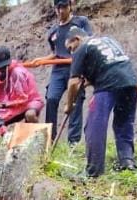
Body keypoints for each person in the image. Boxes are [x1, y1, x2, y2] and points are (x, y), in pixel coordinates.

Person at [64, 28, 137, 177]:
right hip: (130, 82)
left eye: (70, 48)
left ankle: (93, 171)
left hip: (108, 86)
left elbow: (73, 83)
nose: (71, 52)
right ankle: (127, 161)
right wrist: (88, 82)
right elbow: (109, 65)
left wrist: (69, 104)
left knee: (94, 126)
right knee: (123, 123)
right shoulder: (108, 40)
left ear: (76, 39)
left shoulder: (82, 48)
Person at [31, 0, 93, 144]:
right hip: (58, 70)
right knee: (51, 99)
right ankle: (48, 139)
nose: (61, 11)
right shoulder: (53, 31)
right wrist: (41, 60)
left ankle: (73, 141)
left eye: (64, 7)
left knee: (75, 102)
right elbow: (56, 53)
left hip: (76, 66)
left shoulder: (80, 22)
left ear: (70, 6)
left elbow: (88, 43)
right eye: (58, 7)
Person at [0, 46, 44, 145]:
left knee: (30, 114)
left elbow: (23, 98)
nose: (3, 69)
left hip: (29, 101)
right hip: (9, 106)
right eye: (0, 67)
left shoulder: (18, 73)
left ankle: (40, 141)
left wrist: (3, 106)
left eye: (4, 66)